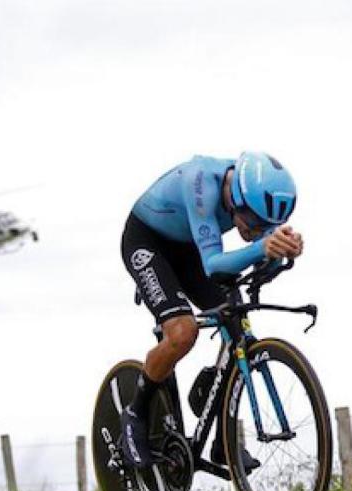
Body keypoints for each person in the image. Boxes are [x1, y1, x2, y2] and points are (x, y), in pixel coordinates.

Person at [119, 152, 304, 469]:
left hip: (191, 244)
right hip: (148, 242)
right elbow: (214, 265)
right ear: (237, 198)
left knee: (237, 323)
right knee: (183, 332)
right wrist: (262, 247)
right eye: (256, 223)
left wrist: (282, 250)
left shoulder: (247, 199)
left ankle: (224, 439)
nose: (259, 230)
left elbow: (256, 250)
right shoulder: (201, 182)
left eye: (268, 225)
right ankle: (134, 414)